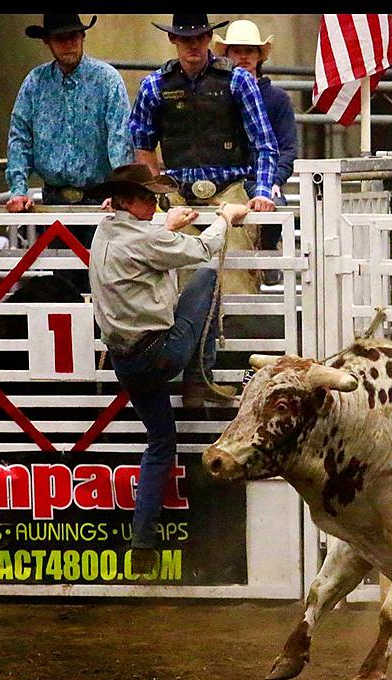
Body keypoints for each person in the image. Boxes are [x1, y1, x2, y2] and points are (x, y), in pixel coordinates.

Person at [87, 164, 250, 574]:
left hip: (126, 361)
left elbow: (149, 244)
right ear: (126, 201)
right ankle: (200, 376)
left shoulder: (105, 231)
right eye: (147, 198)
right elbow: (199, 251)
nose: (153, 202)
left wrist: (163, 224)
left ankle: (142, 543)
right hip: (160, 353)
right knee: (207, 278)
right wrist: (224, 218)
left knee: (161, 441)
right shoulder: (144, 239)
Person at [129, 13, 279, 295]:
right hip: (177, 196)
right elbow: (142, 145)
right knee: (180, 288)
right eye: (185, 39)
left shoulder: (238, 81)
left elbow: (265, 143)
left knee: (236, 283)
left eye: (198, 38)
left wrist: (262, 192)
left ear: (209, 38)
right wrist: (155, 190)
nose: (192, 45)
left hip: (230, 192)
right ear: (173, 39)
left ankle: (237, 334)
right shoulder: (154, 86)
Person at [5, 14, 134, 293]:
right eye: (61, 38)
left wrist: (119, 189)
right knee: (61, 286)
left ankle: (101, 336)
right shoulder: (35, 83)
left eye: (74, 36)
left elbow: (120, 138)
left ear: (83, 37)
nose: (69, 44)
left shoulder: (107, 80)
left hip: (101, 201)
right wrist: (18, 189)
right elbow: (20, 137)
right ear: (47, 42)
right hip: (54, 201)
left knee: (104, 283)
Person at [215, 18, 297, 285]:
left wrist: (273, 180)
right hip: (226, 178)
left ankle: (266, 257)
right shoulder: (217, 96)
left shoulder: (277, 99)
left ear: (259, 56)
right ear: (226, 54)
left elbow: (287, 149)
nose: (243, 56)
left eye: (249, 51)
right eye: (237, 50)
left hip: (261, 178)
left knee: (276, 210)